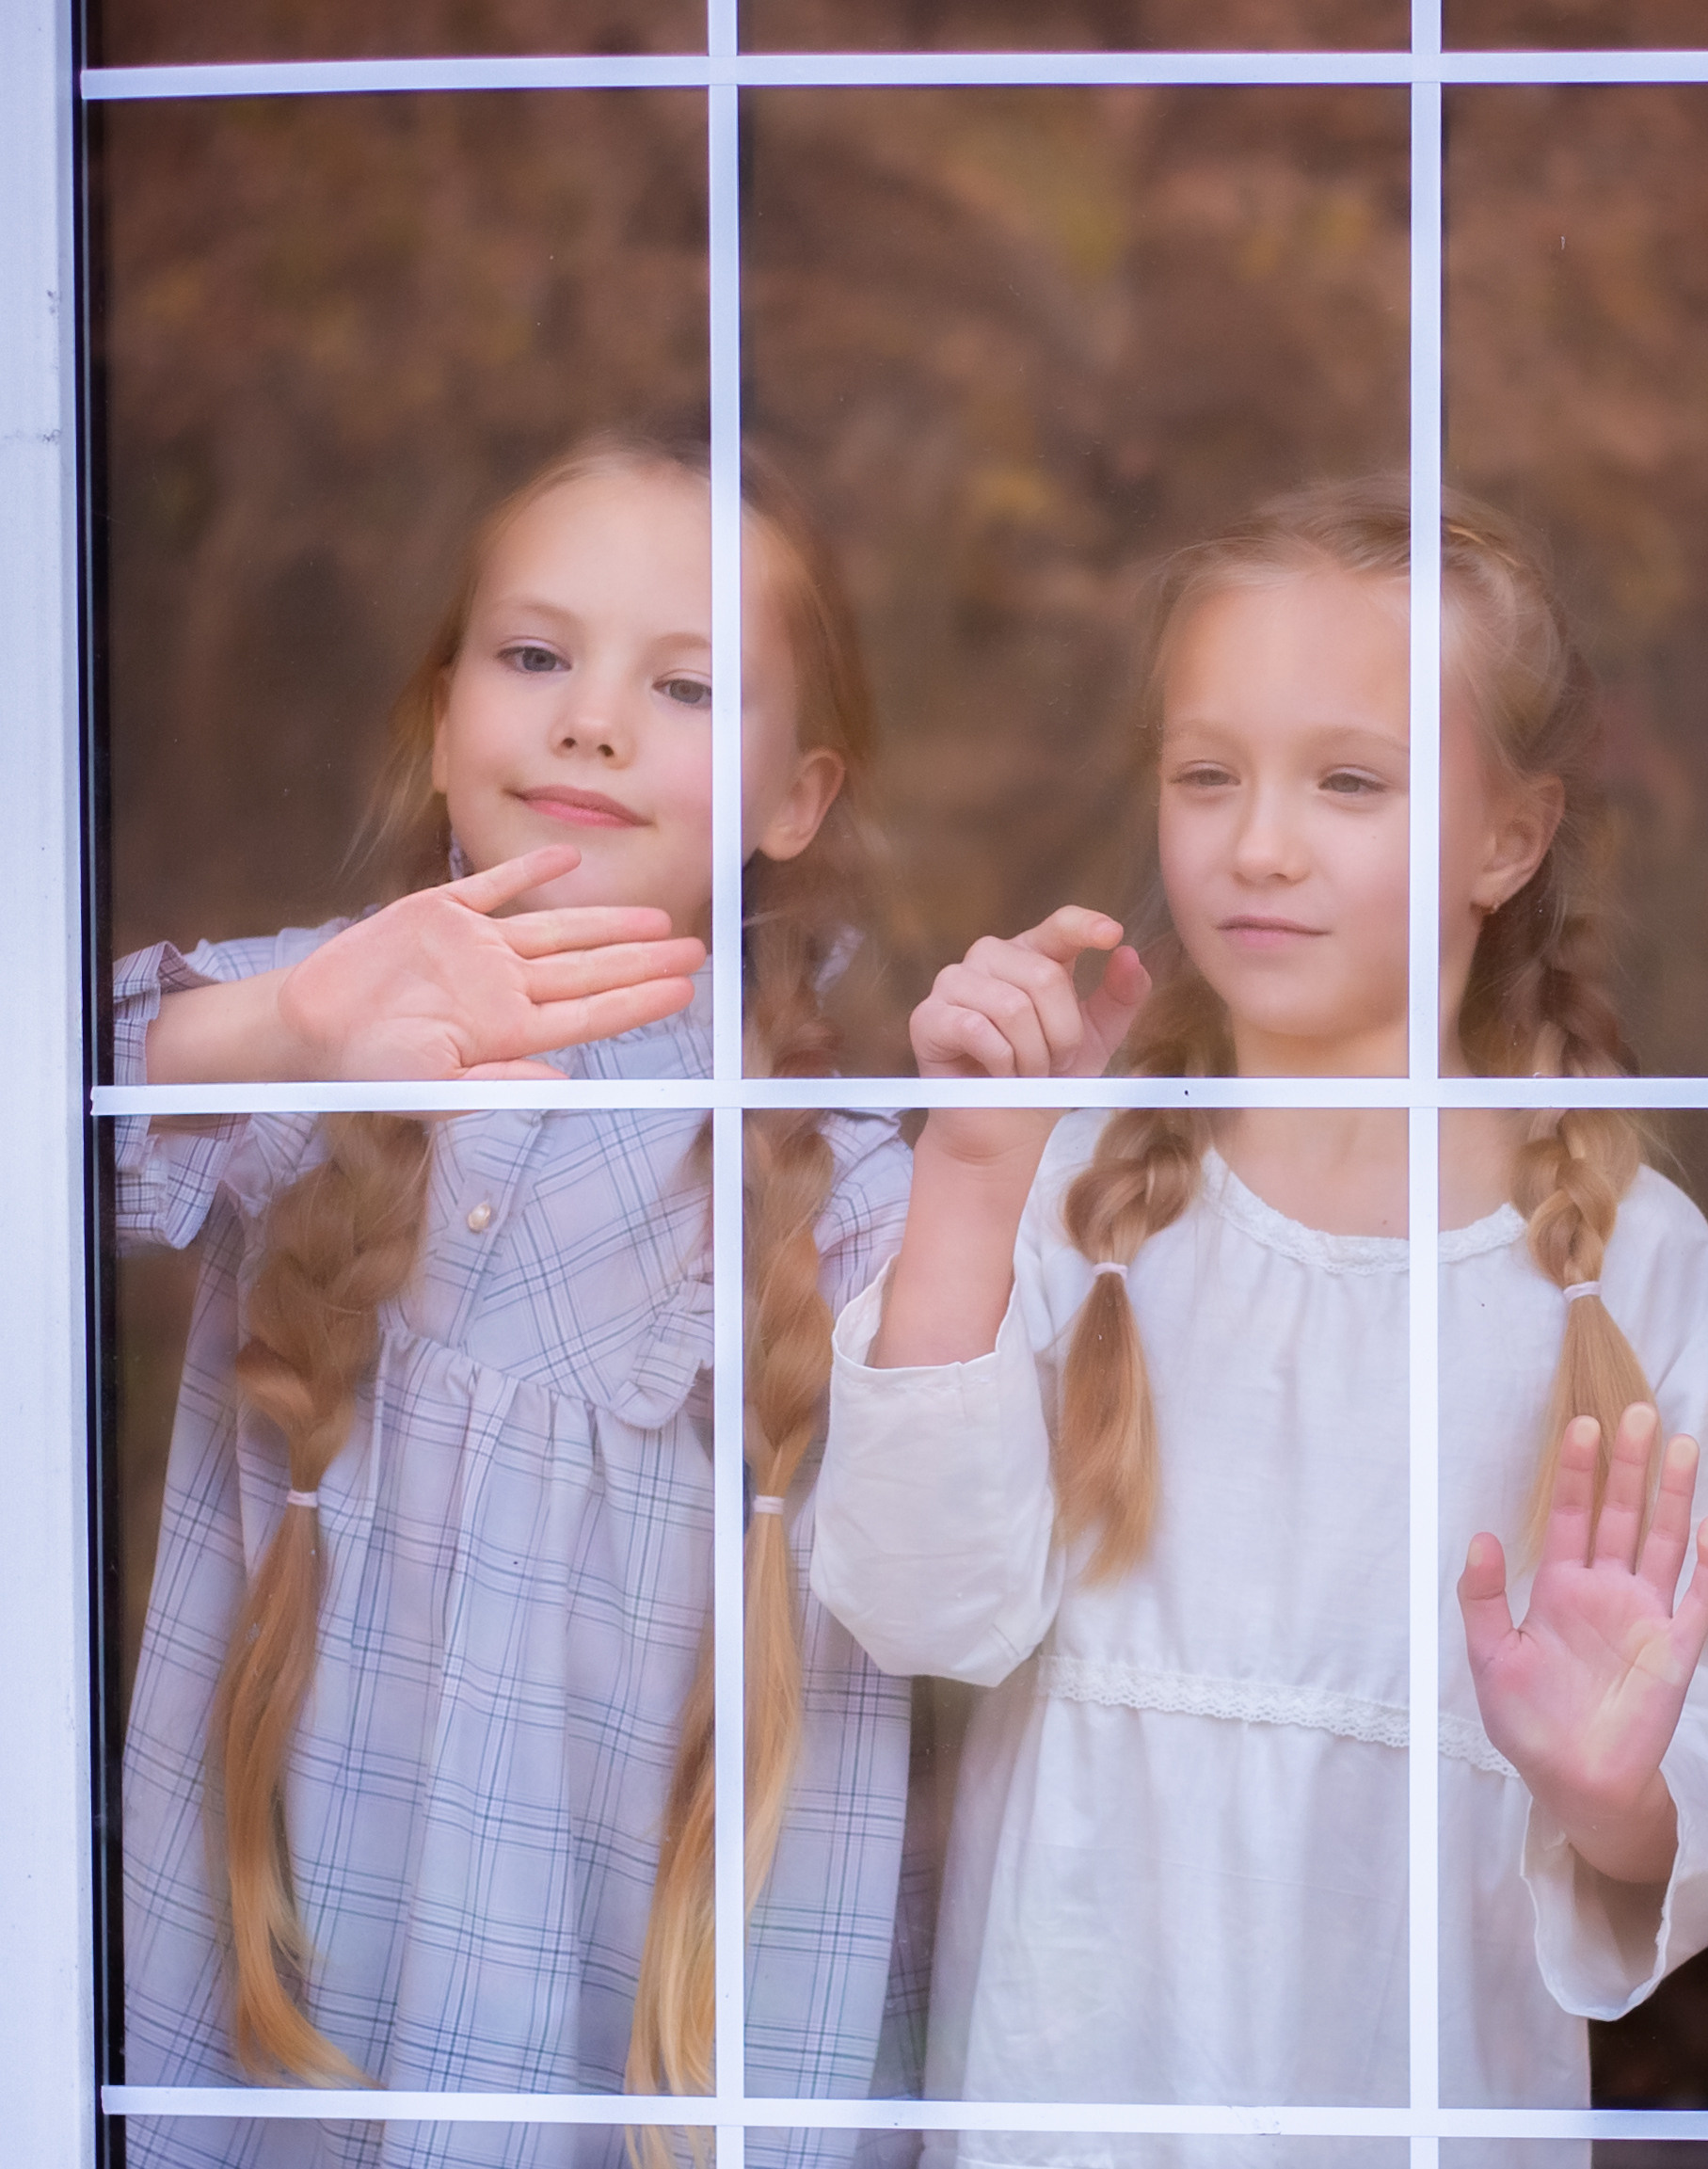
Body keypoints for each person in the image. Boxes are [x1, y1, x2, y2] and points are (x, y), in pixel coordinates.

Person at [809, 480, 1708, 2167]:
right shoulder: (1078, 1175)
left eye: (1349, 781)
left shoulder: (1628, 1255)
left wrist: (1605, 1787)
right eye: (1207, 775)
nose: (1255, 842)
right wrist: (969, 1180)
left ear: (1511, 836)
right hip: (1075, 2074)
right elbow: (917, 1610)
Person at [116, 432, 922, 2167]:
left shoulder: (832, 1169)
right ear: (440, 717)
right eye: (535, 655)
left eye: (686, 684)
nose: (592, 722)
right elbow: (72, 1110)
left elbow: (954, 1539)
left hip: (622, 1993)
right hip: (305, 1946)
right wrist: (288, 1034)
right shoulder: (318, 1012)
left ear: (798, 798)